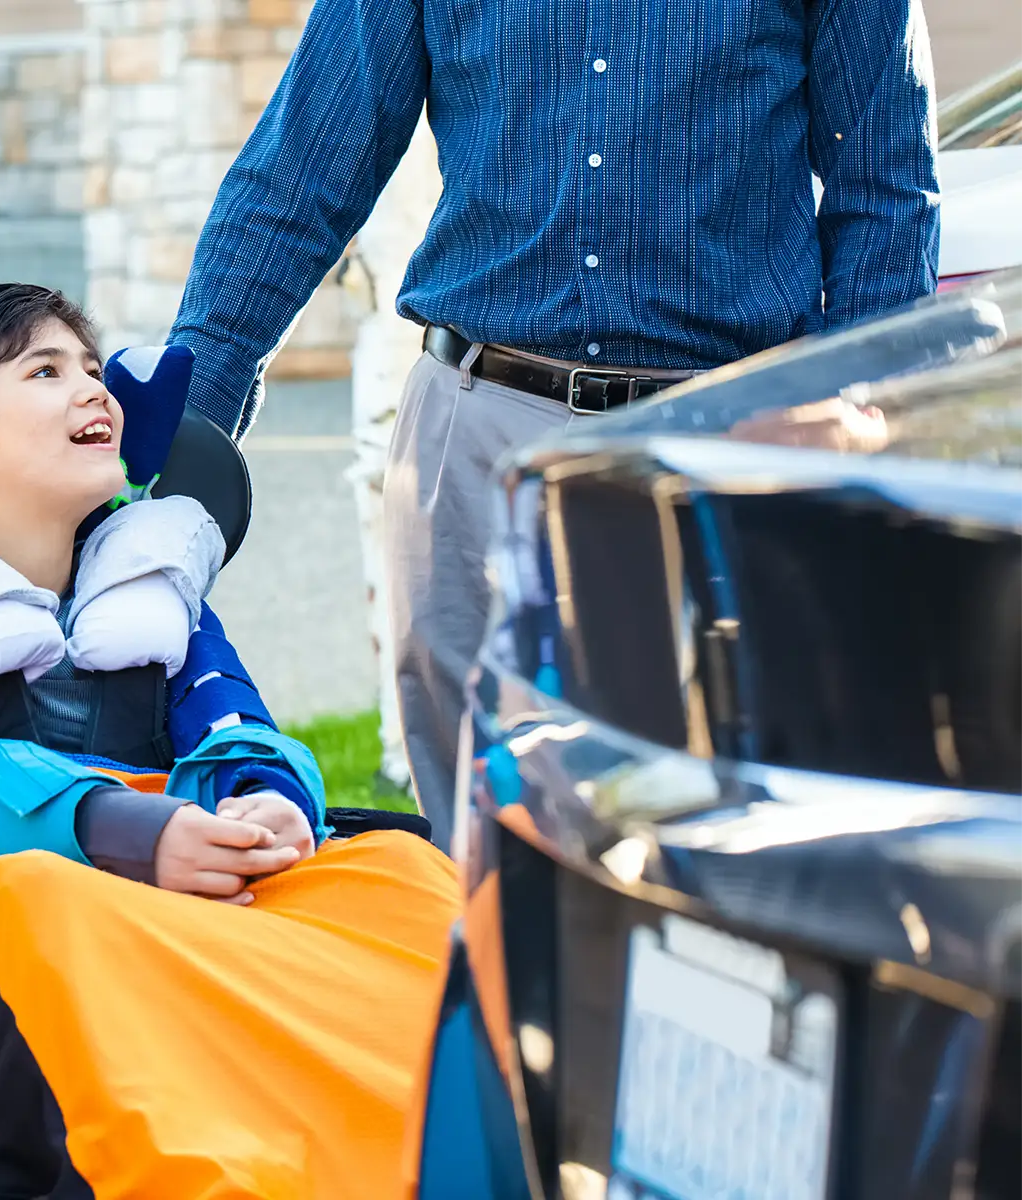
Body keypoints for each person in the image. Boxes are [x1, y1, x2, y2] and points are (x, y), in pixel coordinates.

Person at [168, 0, 941, 850]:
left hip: (718, 445)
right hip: (473, 437)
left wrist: (839, 415)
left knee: (710, 843)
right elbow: (304, 167)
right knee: (472, 843)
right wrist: (187, 427)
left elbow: (888, 190)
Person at [0, 285, 459, 1198]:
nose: (94, 392)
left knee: (405, 876)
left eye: (95, 370)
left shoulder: (152, 595)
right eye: (45, 370)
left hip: (193, 871)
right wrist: (139, 837)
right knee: (46, 898)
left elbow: (237, 731)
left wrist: (267, 804)